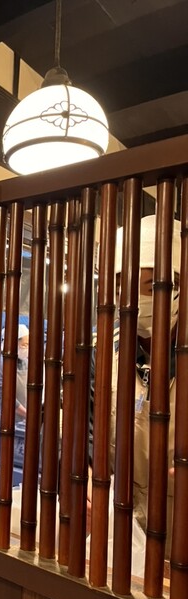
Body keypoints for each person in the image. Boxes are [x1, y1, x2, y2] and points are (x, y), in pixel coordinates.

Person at [90, 214, 180, 554]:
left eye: (149, 286)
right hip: (118, 529)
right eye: (121, 286)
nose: (133, 299)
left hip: (180, 534)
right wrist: (83, 463)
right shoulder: (104, 347)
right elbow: (77, 418)